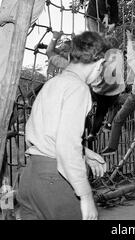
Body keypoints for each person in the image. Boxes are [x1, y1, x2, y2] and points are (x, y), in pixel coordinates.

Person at [17, 31, 109, 220]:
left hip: (30, 177)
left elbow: (50, 132)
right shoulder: (78, 88)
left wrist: (87, 153)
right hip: (54, 178)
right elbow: (66, 145)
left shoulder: (52, 83)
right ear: (99, 64)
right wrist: (85, 195)